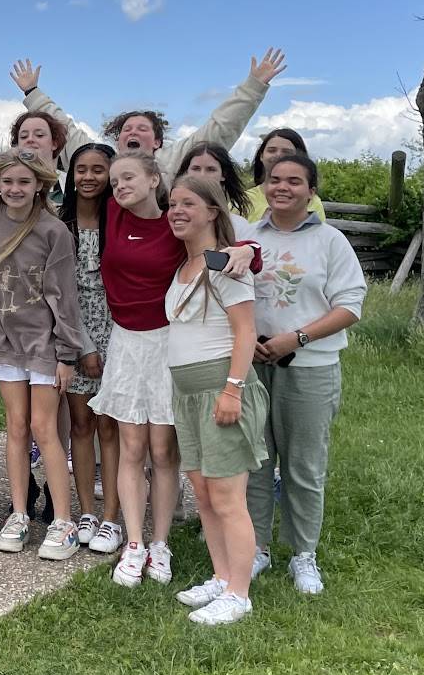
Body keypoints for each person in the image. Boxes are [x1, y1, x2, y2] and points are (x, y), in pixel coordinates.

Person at [92, 152, 255, 589]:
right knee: (130, 446)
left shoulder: (174, 220)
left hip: (168, 341)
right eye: (114, 180)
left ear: (153, 180)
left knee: (163, 451)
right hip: (126, 342)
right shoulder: (111, 213)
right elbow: (71, 149)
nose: (119, 186)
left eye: (129, 177)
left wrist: (247, 250)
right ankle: (133, 543)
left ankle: (160, 542)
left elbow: (221, 241)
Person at [245, 153, 365, 595]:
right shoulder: (248, 236)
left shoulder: (330, 241)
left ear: (311, 191)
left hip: (308, 366)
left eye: (294, 181)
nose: (282, 188)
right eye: (274, 180)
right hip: (255, 365)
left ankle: (303, 553)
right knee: (255, 462)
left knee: (302, 465)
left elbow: (350, 305)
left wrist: (295, 338)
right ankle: (255, 548)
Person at [164, 175, 268, 626]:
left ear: (212, 212)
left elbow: (245, 332)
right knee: (204, 495)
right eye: (172, 204)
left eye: (188, 203)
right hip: (186, 392)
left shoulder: (225, 265)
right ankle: (222, 576)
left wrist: (233, 389)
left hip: (220, 388)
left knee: (228, 497)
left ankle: (239, 594)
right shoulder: (183, 267)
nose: (177, 211)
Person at [0, 149, 86, 558]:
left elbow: (64, 296)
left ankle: (63, 521)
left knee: (45, 429)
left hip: (45, 344)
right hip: (6, 343)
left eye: (23, 181)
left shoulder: (54, 230)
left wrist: (67, 353)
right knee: (16, 429)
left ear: (40, 183)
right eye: (7, 182)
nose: (14, 189)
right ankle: (19, 513)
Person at [7, 49, 289, 175]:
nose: (132, 132)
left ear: (156, 142)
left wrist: (253, 88)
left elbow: (218, 129)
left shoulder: (175, 159)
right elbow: (64, 129)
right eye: (127, 129)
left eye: (142, 129)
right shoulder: (101, 161)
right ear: (117, 140)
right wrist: (33, 94)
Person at [59, 142, 122, 553]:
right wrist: (81, 344)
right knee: (81, 424)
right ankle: (85, 511)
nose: (88, 177)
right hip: (73, 331)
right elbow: (59, 292)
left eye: (98, 170)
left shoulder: (121, 221)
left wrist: (109, 343)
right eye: (81, 169)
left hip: (120, 333)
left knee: (110, 426)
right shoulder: (59, 224)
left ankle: (112, 517)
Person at [247, 128, 328, 222]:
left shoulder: (311, 201)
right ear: (261, 156)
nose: (278, 155)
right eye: (272, 150)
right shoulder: (243, 200)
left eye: (286, 152)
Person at [176, 142, 253, 233]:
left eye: (211, 169)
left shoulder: (239, 226)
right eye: (196, 168)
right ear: (186, 172)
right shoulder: (175, 221)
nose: (202, 175)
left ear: (223, 175)